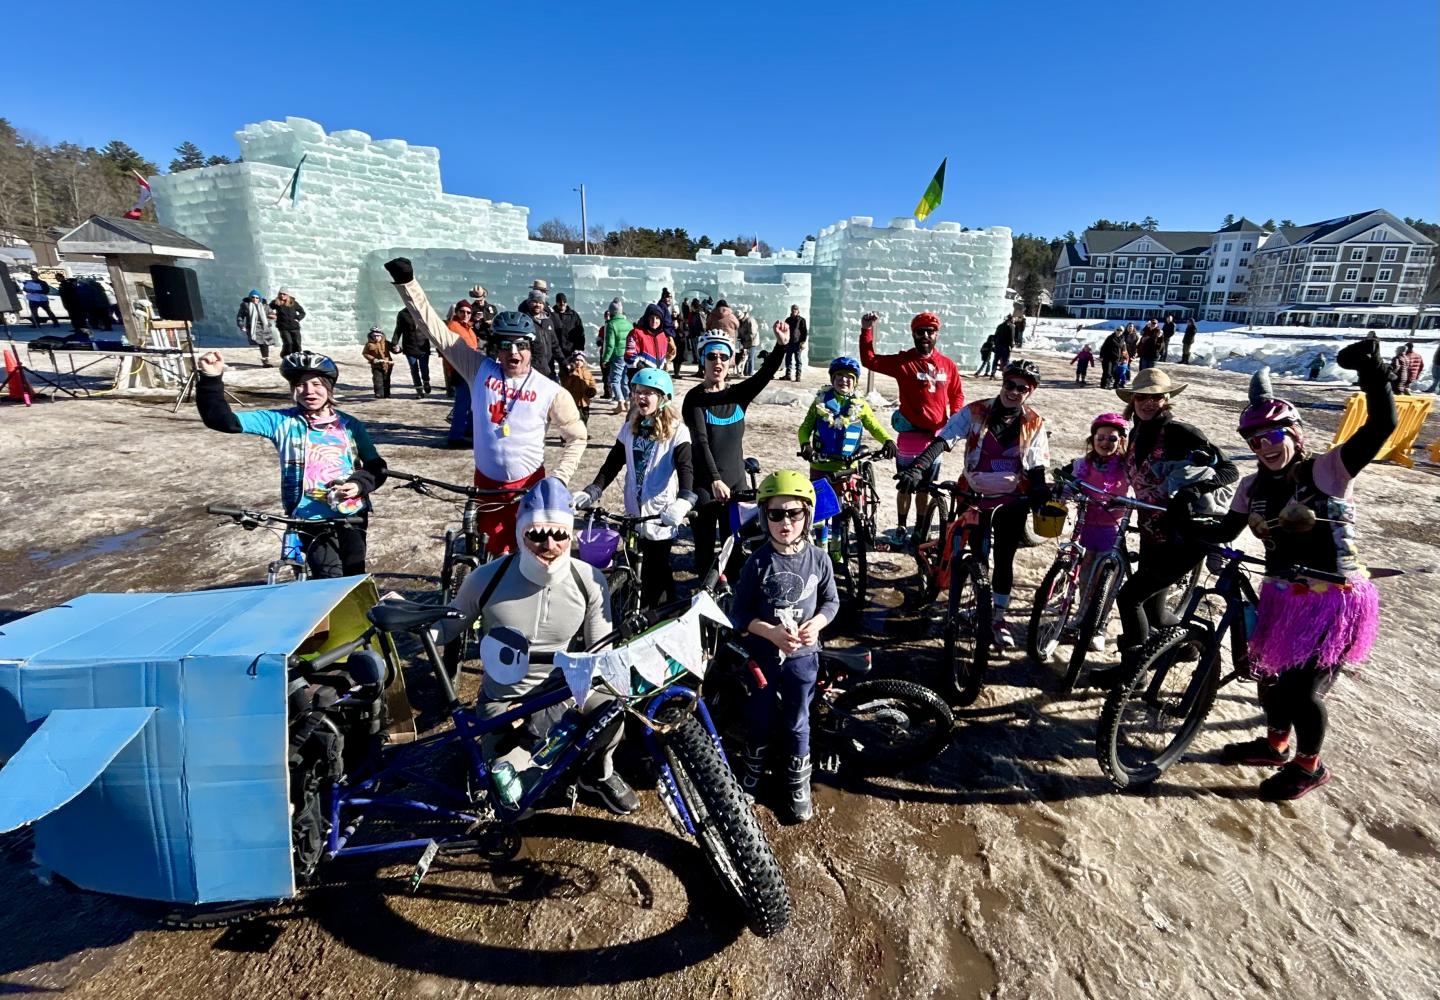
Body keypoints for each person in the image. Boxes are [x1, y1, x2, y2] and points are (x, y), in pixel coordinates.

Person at [1193, 341, 1394, 800]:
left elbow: (1382, 425)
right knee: (1268, 678)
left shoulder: (1326, 472)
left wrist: (1374, 372)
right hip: (1283, 596)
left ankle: (1310, 767)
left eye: (1272, 435)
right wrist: (1181, 517)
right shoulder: (1251, 486)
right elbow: (1226, 530)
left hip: (1333, 599)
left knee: (1302, 690)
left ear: (1294, 433)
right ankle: (1275, 744)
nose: (1262, 446)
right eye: (1253, 440)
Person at [436, 477, 638, 815]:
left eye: (559, 535)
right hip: (504, 699)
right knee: (513, 803)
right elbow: (445, 630)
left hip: (563, 689)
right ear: (519, 532)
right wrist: (401, 619)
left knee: (612, 707)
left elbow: (599, 653)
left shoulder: (589, 580)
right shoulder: (484, 579)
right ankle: (516, 756)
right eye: (536, 534)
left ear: (570, 534)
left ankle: (598, 773)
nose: (548, 544)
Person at [385, 257, 587, 555]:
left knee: (531, 557)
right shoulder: (479, 369)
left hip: (529, 488)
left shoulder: (549, 391)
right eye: (506, 346)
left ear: (532, 347)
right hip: (486, 485)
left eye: (521, 345)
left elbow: (577, 437)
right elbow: (434, 330)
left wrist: (559, 478)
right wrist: (407, 284)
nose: (513, 353)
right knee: (491, 556)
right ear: (496, 349)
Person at [896, 360, 1050, 648]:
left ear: (1030, 392)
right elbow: (946, 438)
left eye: (1023, 388)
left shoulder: (1034, 422)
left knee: (1004, 559)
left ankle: (999, 617)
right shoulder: (977, 411)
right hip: (975, 495)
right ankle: (967, 603)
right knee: (976, 556)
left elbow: (1037, 462)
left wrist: (1039, 489)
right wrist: (918, 467)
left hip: (1012, 498)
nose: (1014, 392)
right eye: (1010, 385)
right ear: (1002, 383)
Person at [194, 349, 386, 577]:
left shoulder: (350, 425)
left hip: (352, 516)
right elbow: (222, 421)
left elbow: (377, 467)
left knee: (355, 576)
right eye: (300, 385)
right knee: (328, 579)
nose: (309, 391)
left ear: (329, 386)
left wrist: (358, 485)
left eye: (316, 383)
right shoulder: (280, 421)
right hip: (309, 519)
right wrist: (210, 379)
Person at [1111, 367, 1238, 674]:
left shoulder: (1180, 433)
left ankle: (1132, 673)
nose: (1148, 403)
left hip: (1184, 537)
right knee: (1154, 612)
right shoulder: (1136, 432)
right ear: (1133, 400)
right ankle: (1191, 644)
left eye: (1156, 397)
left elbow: (1229, 470)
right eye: (1142, 397)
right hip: (1152, 533)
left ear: (1166, 399)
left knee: (1129, 598)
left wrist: (1193, 490)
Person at [731, 470, 839, 822]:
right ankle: (753, 768)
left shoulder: (819, 559)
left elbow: (831, 603)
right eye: (776, 514)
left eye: (794, 513)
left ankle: (797, 780)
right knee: (758, 715)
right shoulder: (757, 561)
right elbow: (739, 612)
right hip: (763, 657)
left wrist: (818, 624)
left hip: (803, 658)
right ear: (765, 517)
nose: (785, 522)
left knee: (797, 719)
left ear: (807, 516)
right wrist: (769, 632)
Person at [576, 367, 696, 608]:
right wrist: (592, 490)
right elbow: (612, 464)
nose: (641, 397)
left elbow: (687, 470)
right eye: (637, 391)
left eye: (649, 393)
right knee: (632, 564)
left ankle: (662, 616)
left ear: (663, 398)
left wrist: (684, 501)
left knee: (657, 572)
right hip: (633, 511)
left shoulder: (678, 432)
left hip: (660, 515)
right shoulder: (630, 427)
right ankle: (633, 609)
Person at [683, 324, 791, 583]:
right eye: (711, 356)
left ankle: (734, 608)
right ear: (703, 359)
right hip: (707, 486)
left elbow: (765, 374)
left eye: (723, 356)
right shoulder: (694, 399)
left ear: (731, 360)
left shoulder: (737, 395)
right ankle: (705, 602)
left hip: (736, 484)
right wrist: (714, 479)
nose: (717, 362)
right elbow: (700, 443)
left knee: (736, 548)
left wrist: (781, 346)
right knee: (706, 552)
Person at [859, 310, 965, 546]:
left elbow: (957, 394)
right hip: (909, 437)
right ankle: (900, 527)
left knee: (925, 487)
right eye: (920, 331)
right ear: (913, 334)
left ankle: (919, 528)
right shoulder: (903, 362)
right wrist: (866, 330)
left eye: (930, 331)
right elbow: (869, 360)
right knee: (906, 485)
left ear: (936, 334)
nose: (925, 335)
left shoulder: (947, 365)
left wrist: (955, 419)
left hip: (935, 438)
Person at [1056, 413, 1131, 652]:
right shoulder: (1083, 464)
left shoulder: (1127, 467)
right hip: (1086, 526)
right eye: (1101, 437)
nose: (1105, 443)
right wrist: (1063, 495)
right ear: (1093, 439)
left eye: (1112, 439)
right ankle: (1080, 618)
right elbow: (1071, 483)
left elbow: (1139, 489)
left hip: (1112, 529)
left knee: (1105, 580)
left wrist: (1126, 500)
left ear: (1121, 442)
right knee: (1086, 577)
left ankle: (1099, 626)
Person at [798, 356, 897, 482]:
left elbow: (874, 427)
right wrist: (805, 445)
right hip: (821, 465)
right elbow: (805, 427)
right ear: (832, 379)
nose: (843, 379)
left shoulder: (861, 405)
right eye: (839, 374)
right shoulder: (820, 402)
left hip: (849, 466)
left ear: (855, 381)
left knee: (853, 500)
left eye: (849, 376)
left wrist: (887, 441)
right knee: (821, 500)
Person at [445, 301, 479, 446]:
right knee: (462, 404)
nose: (465, 315)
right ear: (456, 312)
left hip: (471, 370)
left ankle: (468, 430)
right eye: (462, 311)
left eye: (468, 312)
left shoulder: (468, 328)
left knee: (472, 403)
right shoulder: (453, 327)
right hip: (461, 370)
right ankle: (455, 437)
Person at [520, 294, 563, 381]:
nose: (538, 305)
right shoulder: (523, 321)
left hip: (549, 370)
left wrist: (565, 364)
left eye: (540, 303)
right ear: (529, 303)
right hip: (532, 371)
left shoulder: (548, 321)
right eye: (535, 302)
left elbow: (555, 346)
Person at [390, 305, 432, 397]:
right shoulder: (402, 314)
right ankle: (419, 390)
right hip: (409, 347)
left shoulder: (424, 312)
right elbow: (398, 329)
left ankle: (426, 381)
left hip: (423, 346)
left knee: (424, 367)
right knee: (414, 369)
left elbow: (433, 328)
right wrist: (394, 343)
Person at [626, 304, 672, 383]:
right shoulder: (636, 333)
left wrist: (664, 365)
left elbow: (663, 354)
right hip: (639, 375)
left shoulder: (662, 335)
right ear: (647, 319)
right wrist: (641, 367)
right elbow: (629, 354)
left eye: (657, 318)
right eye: (651, 318)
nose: (654, 321)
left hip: (657, 374)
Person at [601, 301, 631, 413]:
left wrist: (605, 359)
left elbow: (610, 345)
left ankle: (620, 403)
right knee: (625, 379)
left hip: (617, 355)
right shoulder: (628, 324)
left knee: (614, 380)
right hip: (628, 355)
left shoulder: (611, 324)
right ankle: (627, 401)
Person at [235, 289, 277, 367]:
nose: (255, 299)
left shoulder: (264, 306)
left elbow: (272, 314)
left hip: (265, 327)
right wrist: (241, 325)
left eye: (257, 297)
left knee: (266, 343)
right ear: (250, 298)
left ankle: (266, 360)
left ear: (259, 298)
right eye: (253, 297)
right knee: (262, 343)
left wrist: (272, 316)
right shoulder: (246, 306)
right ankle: (265, 361)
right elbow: (240, 316)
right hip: (254, 327)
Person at [562, 350, 597, 424]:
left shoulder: (587, 372)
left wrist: (592, 390)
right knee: (574, 419)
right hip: (574, 402)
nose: (578, 362)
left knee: (585, 418)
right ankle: (571, 434)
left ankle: (583, 433)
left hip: (585, 401)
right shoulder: (570, 373)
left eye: (581, 360)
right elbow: (565, 385)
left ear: (584, 362)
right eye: (576, 360)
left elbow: (592, 382)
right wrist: (570, 375)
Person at [270, 289, 306, 355]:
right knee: (288, 343)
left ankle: (296, 359)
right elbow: (267, 309)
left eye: (284, 294)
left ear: (287, 295)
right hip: (283, 327)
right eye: (280, 293)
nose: (282, 295)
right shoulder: (275, 302)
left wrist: (298, 318)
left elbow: (302, 312)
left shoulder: (293, 302)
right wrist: (271, 315)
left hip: (294, 327)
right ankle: (285, 356)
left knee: (297, 344)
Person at [362, 326, 394, 398]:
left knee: (386, 379)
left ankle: (387, 394)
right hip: (376, 365)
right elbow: (365, 353)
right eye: (374, 336)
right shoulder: (369, 344)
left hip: (387, 365)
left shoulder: (386, 343)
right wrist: (373, 359)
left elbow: (394, 349)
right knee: (377, 380)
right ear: (371, 336)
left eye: (378, 336)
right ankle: (379, 393)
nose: (376, 338)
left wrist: (397, 349)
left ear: (381, 335)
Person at [552, 293, 586, 358]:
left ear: (566, 303)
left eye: (564, 302)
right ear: (556, 303)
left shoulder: (573, 315)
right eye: (560, 302)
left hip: (570, 351)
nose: (562, 304)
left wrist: (579, 349)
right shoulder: (551, 315)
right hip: (554, 350)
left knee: (568, 368)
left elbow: (580, 333)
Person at [782, 305, 808, 381]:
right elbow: (784, 331)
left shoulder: (801, 320)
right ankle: (788, 375)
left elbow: (804, 332)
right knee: (788, 360)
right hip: (789, 343)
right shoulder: (788, 320)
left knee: (798, 360)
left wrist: (803, 342)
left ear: (798, 311)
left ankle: (798, 376)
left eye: (796, 310)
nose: (794, 311)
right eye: (793, 310)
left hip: (797, 343)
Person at [736, 307, 758, 376]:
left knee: (750, 357)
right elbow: (740, 331)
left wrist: (745, 338)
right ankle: (745, 372)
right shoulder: (741, 322)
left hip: (752, 342)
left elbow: (753, 333)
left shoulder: (750, 320)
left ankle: (750, 372)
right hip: (745, 342)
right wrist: (739, 337)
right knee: (744, 358)